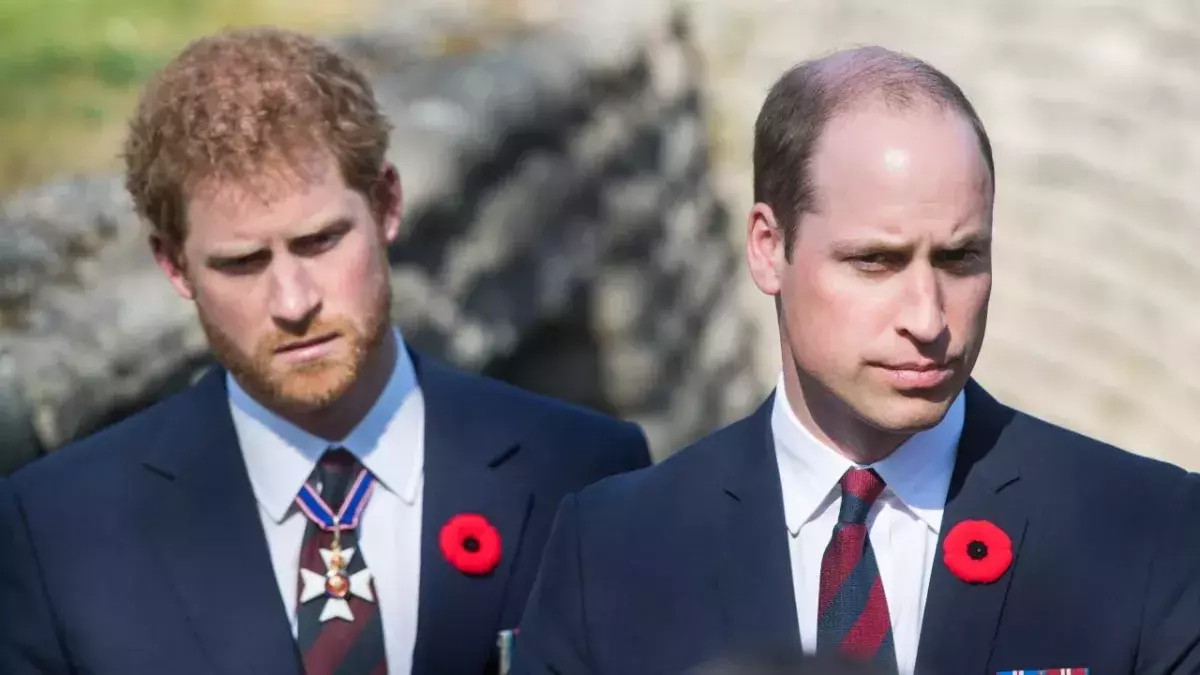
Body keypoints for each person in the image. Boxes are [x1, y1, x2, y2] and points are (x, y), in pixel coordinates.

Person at [511, 46, 1200, 675]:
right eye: (876, 261)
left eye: (961, 258)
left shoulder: (1148, 531)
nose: (928, 318)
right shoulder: (610, 551)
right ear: (766, 246)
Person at [0, 27, 651, 675]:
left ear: (387, 205)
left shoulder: (585, 474)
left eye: (319, 242)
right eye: (242, 262)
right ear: (174, 266)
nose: (293, 301)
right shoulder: (58, 532)